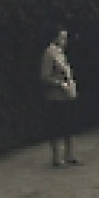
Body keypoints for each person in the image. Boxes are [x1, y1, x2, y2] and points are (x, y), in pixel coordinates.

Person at [40, 28, 79, 167]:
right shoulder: (49, 53)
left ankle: (69, 155)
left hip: (66, 95)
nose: (65, 41)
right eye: (62, 38)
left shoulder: (61, 53)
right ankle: (56, 157)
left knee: (68, 125)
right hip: (55, 97)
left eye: (66, 38)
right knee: (56, 127)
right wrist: (60, 84)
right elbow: (45, 76)